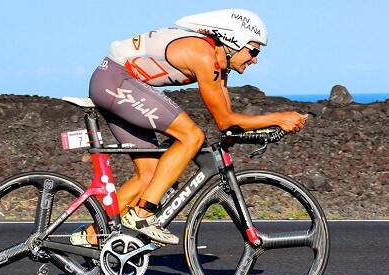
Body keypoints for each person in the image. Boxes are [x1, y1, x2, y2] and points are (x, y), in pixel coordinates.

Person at [70, 8, 307, 246]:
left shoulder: (219, 64)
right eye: (253, 50)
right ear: (234, 41)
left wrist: (256, 132)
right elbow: (225, 120)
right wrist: (278, 117)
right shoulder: (203, 56)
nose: (255, 59)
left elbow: (229, 123)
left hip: (112, 82)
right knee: (192, 136)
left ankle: (90, 235)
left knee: (151, 177)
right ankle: (143, 216)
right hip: (115, 80)